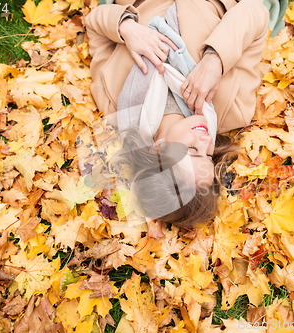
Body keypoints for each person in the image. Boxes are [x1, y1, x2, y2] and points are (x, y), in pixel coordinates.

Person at [84, 0, 270, 229]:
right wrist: (216, 60)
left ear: (159, 149)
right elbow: (256, 12)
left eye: (193, 151)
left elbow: (94, 23)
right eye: (208, 155)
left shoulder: (117, 102)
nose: (205, 141)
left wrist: (126, 28)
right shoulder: (233, 109)